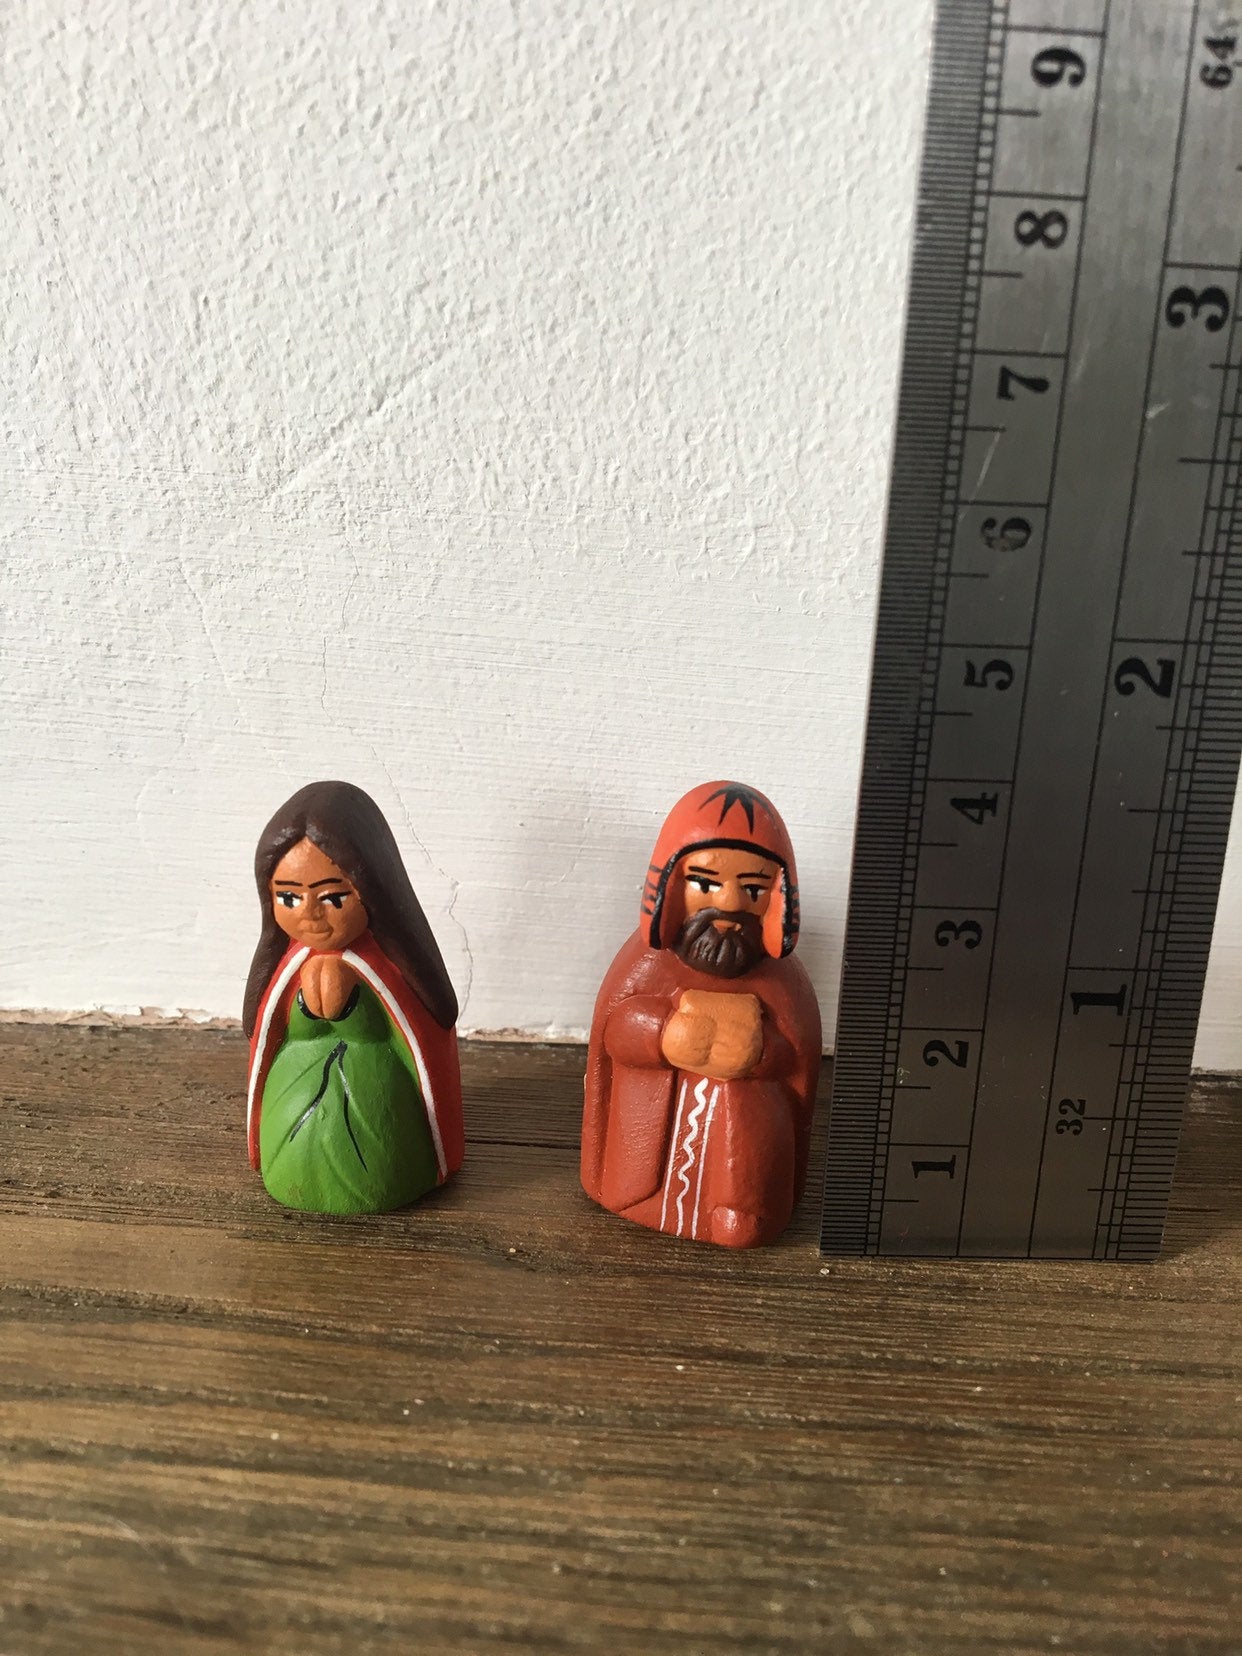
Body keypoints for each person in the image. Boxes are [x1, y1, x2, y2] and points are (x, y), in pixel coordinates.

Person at [582, 781, 821, 1247]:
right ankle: (637, 1196)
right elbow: (613, 1031)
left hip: (738, 1142)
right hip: (649, 1135)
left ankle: (743, 1209)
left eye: (752, 888)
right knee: (638, 1185)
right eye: (707, 884)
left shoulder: (782, 982)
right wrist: (662, 1033)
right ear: (671, 883)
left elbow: (798, 1059)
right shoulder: (647, 964)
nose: (730, 904)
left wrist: (760, 1052)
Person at [243, 780, 463, 1214]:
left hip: (376, 1097)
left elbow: (411, 1036)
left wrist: (353, 1008)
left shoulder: (394, 968)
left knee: (377, 1135)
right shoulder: (284, 968)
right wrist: (306, 1008)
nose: (309, 914)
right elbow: (275, 1035)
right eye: (288, 897)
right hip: (294, 1088)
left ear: (371, 888)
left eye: (332, 897)